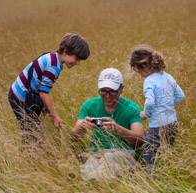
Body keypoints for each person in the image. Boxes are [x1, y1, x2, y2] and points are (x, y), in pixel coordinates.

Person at [8, 33, 90, 147]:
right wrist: (55, 116)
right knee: (35, 137)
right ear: (65, 52)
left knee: (32, 134)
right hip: (20, 98)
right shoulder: (54, 67)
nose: (78, 63)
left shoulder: (52, 57)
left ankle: (29, 156)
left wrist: (47, 110)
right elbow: (43, 93)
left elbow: (39, 85)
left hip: (18, 94)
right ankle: (30, 158)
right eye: (76, 58)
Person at [71, 68, 145, 179]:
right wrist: (82, 126)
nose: (107, 95)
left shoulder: (132, 108)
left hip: (123, 152)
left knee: (109, 160)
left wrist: (119, 129)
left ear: (121, 89)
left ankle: (95, 180)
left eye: (112, 91)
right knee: (91, 167)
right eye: (103, 91)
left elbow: (140, 140)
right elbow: (74, 137)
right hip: (97, 153)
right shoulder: (89, 105)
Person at [129, 45, 185, 176]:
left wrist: (145, 114)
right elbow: (181, 95)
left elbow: (149, 101)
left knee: (149, 156)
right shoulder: (167, 76)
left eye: (139, 71)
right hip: (172, 123)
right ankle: (167, 176)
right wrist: (168, 106)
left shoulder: (149, 80)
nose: (141, 75)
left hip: (157, 127)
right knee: (166, 153)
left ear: (143, 66)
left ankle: (150, 179)